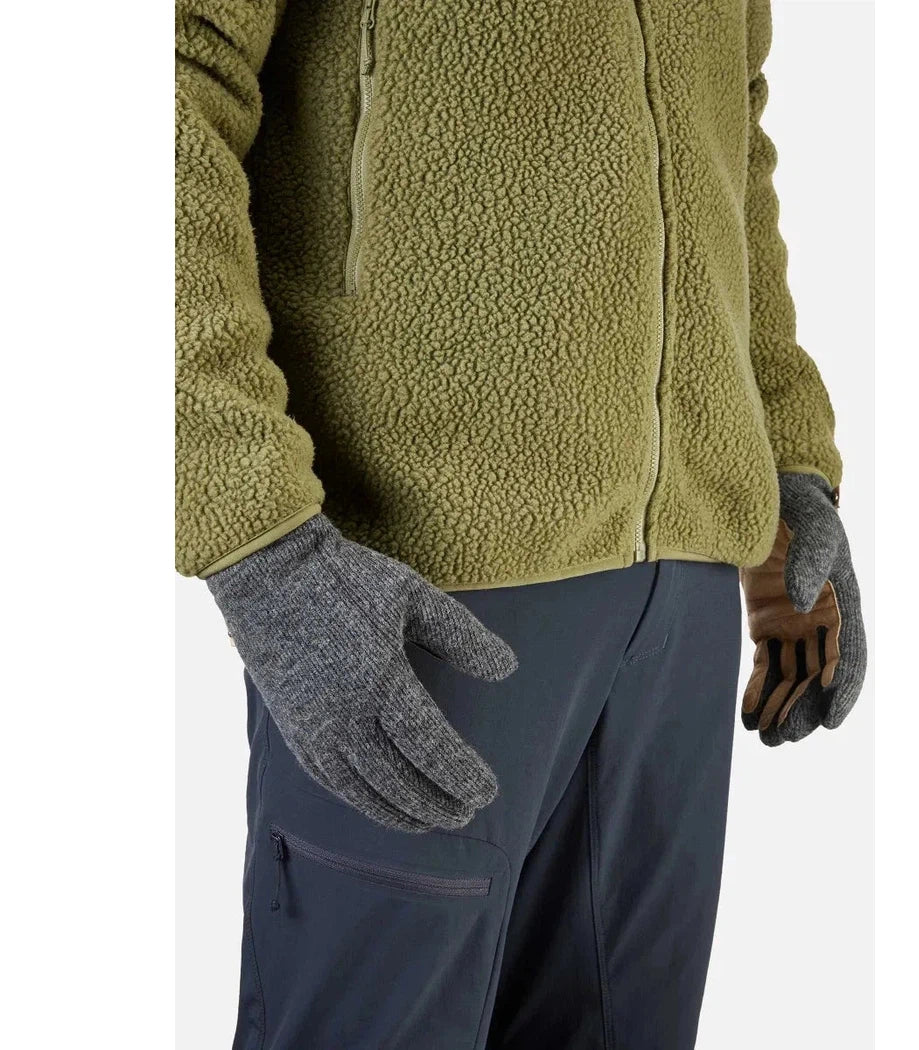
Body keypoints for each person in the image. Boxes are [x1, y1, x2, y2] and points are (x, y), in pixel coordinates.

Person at [175, 1, 867, 1046]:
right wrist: (258, 539)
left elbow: (731, 119)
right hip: (415, 588)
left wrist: (782, 466)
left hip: (680, 602)